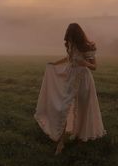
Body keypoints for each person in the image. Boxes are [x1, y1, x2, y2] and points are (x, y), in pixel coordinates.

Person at [34, 23, 107, 155]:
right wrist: (54, 64)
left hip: (83, 80)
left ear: (77, 36)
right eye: (68, 38)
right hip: (70, 79)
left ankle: (81, 134)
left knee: (83, 107)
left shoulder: (87, 47)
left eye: (71, 37)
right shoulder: (71, 45)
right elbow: (69, 58)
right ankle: (61, 143)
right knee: (63, 108)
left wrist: (84, 63)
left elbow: (94, 67)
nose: (69, 40)